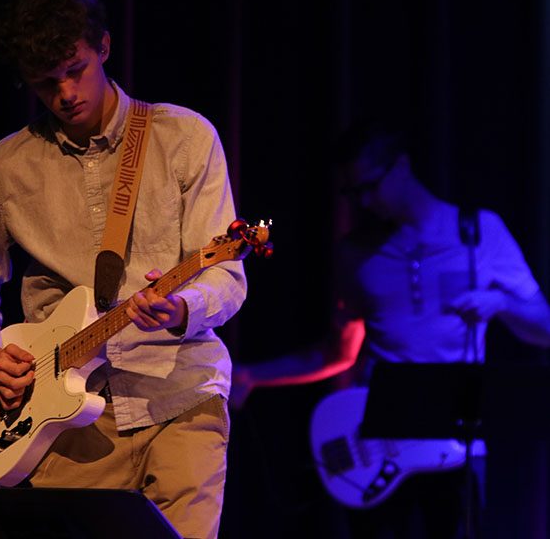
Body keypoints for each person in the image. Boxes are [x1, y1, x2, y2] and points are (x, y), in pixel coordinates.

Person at [0, 0, 246, 539]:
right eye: (44, 82)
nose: (65, 94)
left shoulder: (185, 137)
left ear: (103, 47)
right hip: (65, 425)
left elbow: (227, 272)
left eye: (75, 69)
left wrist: (183, 310)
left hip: (180, 396)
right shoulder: (3, 168)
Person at [231, 123, 550, 537]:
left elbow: (543, 329)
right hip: (378, 441)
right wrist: (253, 376)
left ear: (401, 166)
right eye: (352, 193)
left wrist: (503, 304)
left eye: (369, 186)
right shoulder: (355, 254)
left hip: (455, 443)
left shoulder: (478, 233)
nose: (364, 201)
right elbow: (338, 352)